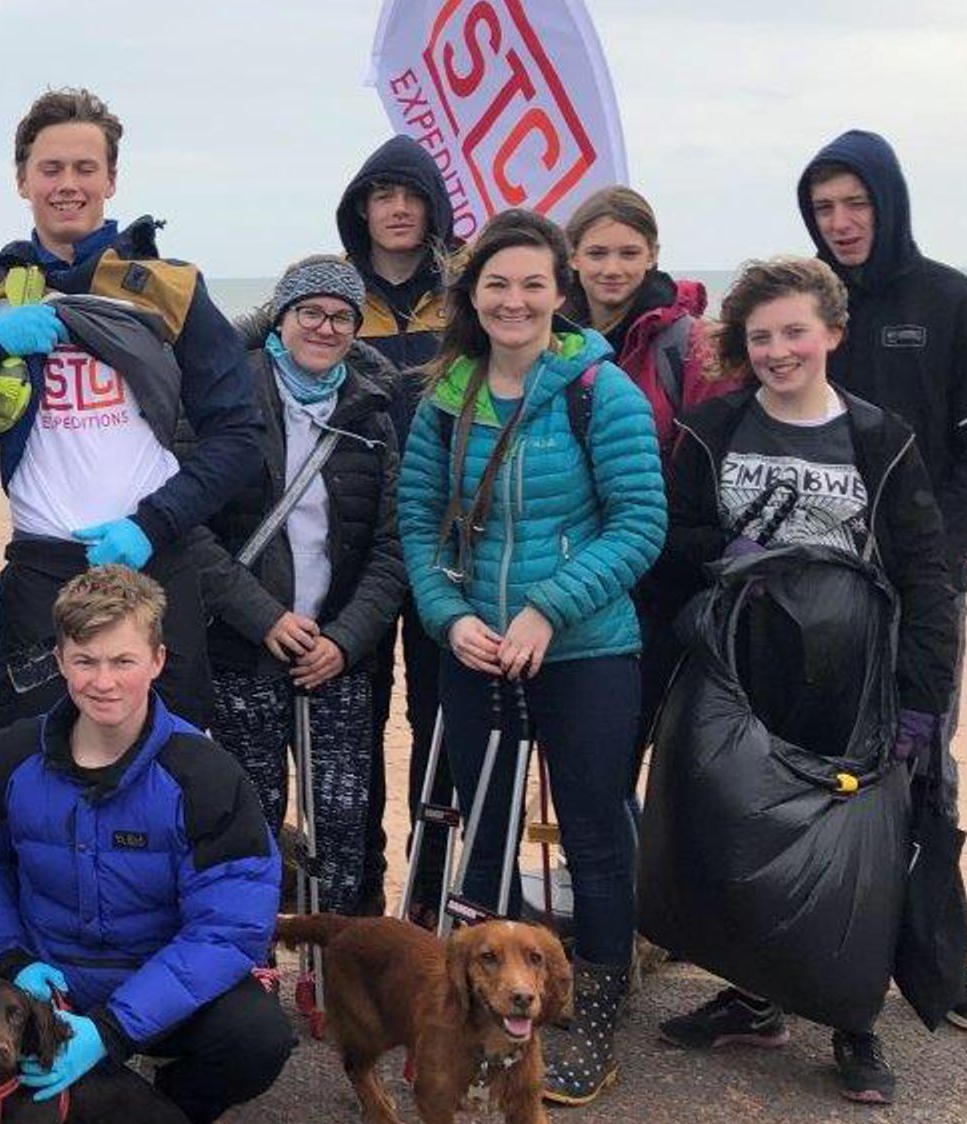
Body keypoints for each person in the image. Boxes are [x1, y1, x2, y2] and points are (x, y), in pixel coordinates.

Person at [653, 255, 961, 1105]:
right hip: (742, 661)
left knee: (851, 847)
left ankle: (854, 1026)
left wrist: (924, 700)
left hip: (852, 665)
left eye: (795, 332)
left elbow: (926, 574)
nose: (780, 350)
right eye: (761, 337)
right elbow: (674, 539)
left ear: (832, 333)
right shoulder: (712, 429)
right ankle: (753, 998)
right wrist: (726, 555)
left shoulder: (877, 436)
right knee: (736, 832)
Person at [395, 208, 664, 1106]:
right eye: (496, 283)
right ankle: (483, 1009)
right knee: (490, 829)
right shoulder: (445, 397)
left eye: (532, 283)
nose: (514, 300)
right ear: (473, 293)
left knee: (593, 830)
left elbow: (639, 524)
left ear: (561, 291)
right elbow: (419, 526)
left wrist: (548, 608)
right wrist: (446, 616)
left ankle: (587, 1012)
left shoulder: (600, 389)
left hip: (587, 650)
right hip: (476, 652)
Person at [0, 87, 260, 733]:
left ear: (111, 179)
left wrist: (153, 523)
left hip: (155, 563)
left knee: (169, 771)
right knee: (30, 772)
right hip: (40, 572)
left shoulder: (169, 287)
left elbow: (241, 432)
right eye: (51, 168)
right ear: (22, 179)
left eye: (85, 168)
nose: (68, 184)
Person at [801, 129, 967, 1035]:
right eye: (823, 209)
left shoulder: (955, 304)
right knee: (805, 764)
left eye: (856, 204)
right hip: (816, 588)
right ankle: (778, 965)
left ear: (889, 203)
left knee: (924, 765)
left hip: (922, 590)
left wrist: (928, 559)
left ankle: (937, 964)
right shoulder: (805, 307)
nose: (841, 223)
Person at [0, 566, 290, 1124]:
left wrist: (111, 1030)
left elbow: (229, 928)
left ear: (157, 660)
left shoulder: (206, 776)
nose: (104, 681)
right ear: (59, 661)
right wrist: (10, 957)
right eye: (85, 661)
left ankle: (168, 1104)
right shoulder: (9, 759)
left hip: (162, 982)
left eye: (123, 661)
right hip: (51, 987)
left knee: (256, 1037)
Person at [198, 253, 406, 916]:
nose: (325, 326)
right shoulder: (225, 398)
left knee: (343, 829)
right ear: (280, 319)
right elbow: (192, 531)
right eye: (310, 312)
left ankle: (340, 978)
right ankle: (247, 967)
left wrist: (344, 642)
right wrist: (263, 617)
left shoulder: (372, 413)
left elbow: (392, 544)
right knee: (249, 826)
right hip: (242, 649)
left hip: (338, 658)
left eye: (342, 316)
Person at [559, 185, 742, 774]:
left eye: (628, 253)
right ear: (573, 257)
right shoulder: (551, 338)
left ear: (653, 255)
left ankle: (645, 862)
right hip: (574, 558)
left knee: (653, 737)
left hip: (663, 570)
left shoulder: (689, 344)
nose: (613, 269)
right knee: (586, 745)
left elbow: (713, 457)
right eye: (598, 253)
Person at [337, 135, 461, 915]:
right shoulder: (338, 297)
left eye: (411, 194)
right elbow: (251, 339)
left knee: (439, 723)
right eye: (382, 194)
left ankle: (426, 896)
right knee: (358, 720)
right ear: (361, 208)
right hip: (357, 541)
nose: (398, 208)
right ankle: (357, 896)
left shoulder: (466, 291)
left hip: (449, 539)